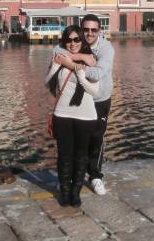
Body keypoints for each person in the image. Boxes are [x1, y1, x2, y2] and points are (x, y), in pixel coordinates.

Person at [54, 14, 115, 196]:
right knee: (75, 143)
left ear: (99, 31)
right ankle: (71, 178)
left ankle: (95, 176)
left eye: (93, 30)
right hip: (77, 101)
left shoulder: (106, 48)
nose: (89, 33)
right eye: (86, 29)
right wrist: (79, 58)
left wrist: (72, 61)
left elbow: (97, 74)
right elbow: (56, 53)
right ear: (81, 29)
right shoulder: (75, 40)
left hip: (99, 100)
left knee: (97, 138)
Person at [45, 25, 99, 207]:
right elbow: (48, 82)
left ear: (82, 41)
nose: (73, 43)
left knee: (81, 155)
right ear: (64, 41)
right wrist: (57, 65)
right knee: (64, 155)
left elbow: (95, 91)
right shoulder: (59, 58)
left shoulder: (91, 61)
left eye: (77, 39)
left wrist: (79, 73)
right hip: (62, 114)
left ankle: (76, 192)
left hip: (86, 116)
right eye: (69, 40)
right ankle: (65, 192)